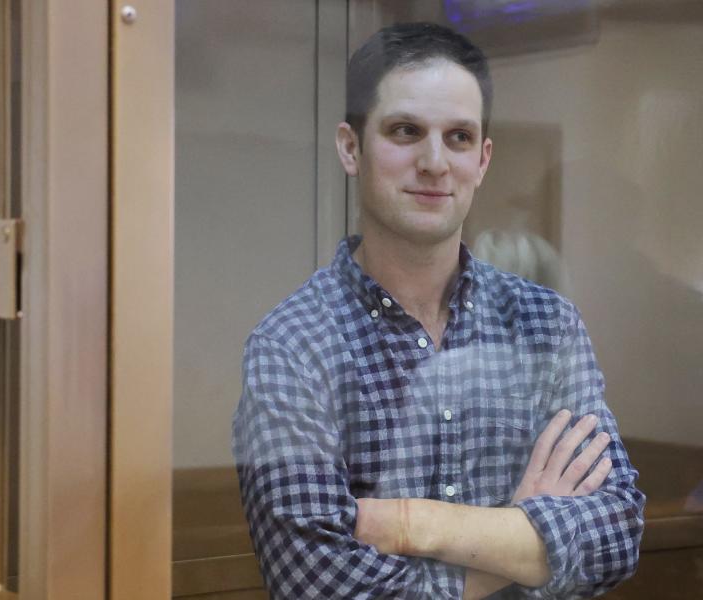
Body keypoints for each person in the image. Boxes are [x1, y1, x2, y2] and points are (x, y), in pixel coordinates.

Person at [232, 22, 644, 600]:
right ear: (351, 148)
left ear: (482, 158)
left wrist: (412, 525)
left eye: (458, 137)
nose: (434, 161)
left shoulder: (545, 325)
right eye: (405, 131)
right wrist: (519, 535)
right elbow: (324, 589)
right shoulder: (292, 348)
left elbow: (617, 532)